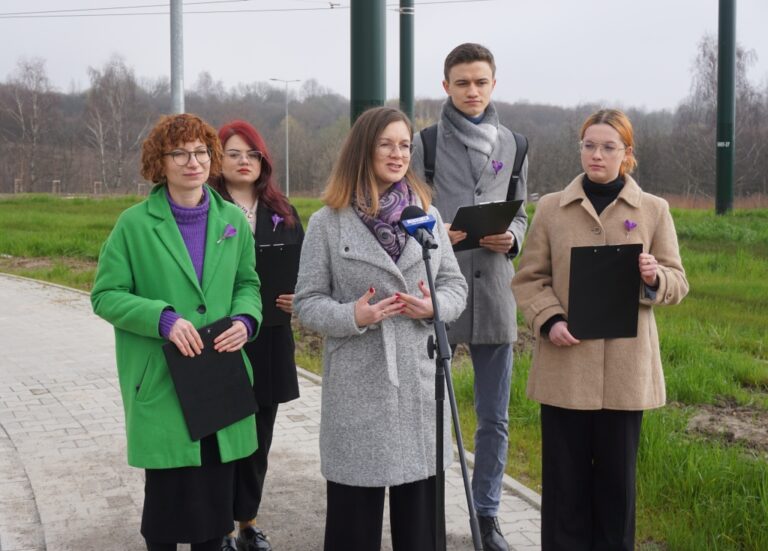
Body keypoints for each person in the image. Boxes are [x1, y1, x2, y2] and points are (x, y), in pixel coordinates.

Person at [511, 108, 689, 550]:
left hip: (627, 374)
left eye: (608, 147)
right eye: (589, 145)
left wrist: (654, 278)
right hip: (565, 369)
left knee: (616, 493)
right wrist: (549, 320)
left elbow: (678, 281)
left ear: (627, 154)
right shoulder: (552, 208)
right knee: (564, 490)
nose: (597, 154)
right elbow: (530, 278)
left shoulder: (653, 210)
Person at [294, 106, 468, 551]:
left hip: (418, 385)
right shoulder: (327, 222)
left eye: (405, 145)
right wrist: (354, 316)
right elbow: (307, 303)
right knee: (353, 525)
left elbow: (454, 286)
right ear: (363, 150)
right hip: (358, 390)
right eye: (386, 144)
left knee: (422, 527)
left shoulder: (426, 214)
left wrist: (432, 307)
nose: (397, 154)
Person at [91, 113, 262, 551]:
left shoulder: (232, 221)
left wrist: (245, 321)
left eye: (202, 152)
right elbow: (105, 294)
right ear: (159, 162)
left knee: (213, 514)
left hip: (219, 377)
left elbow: (248, 284)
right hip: (164, 380)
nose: (193, 161)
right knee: (166, 513)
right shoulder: (133, 225)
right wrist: (162, 319)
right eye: (180, 153)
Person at [410, 42, 528, 551]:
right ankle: (427, 512)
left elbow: (521, 211)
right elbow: (405, 212)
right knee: (429, 411)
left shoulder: (516, 143)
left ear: (494, 84)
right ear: (446, 87)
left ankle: (488, 516)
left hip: (497, 294)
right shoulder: (426, 143)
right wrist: (434, 235)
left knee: (494, 418)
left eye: (481, 82)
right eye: (462, 83)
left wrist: (514, 237)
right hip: (439, 289)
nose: (472, 91)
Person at [211, 120, 304, 551]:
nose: (244, 161)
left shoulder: (282, 211)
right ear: (218, 159)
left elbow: (307, 269)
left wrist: (300, 296)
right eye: (233, 153)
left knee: (259, 438)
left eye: (252, 154)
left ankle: (247, 520)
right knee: (224, 435)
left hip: (270, 336)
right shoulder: (206, 206)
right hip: (222, 338)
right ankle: (221, 528)